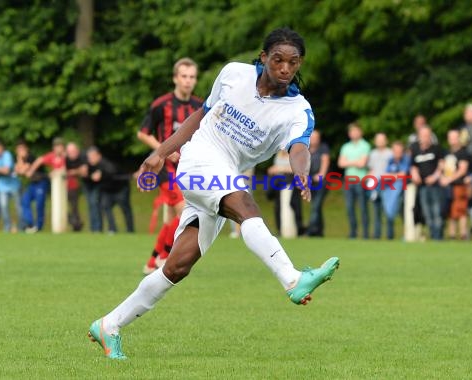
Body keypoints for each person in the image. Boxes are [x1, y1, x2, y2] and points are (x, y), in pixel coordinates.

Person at [88, 27, 339, 360]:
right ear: (263, 58)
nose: (285, 68)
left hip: (226, 173)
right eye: (277, 60)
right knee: (246, 205)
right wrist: (161, 153)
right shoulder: (234, 74)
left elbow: (299, 147)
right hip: (198, 161)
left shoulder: (297, 110)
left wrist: (302, 172)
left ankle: (109, 325)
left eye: (293, 63)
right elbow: (201, 115)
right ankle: (292, 279)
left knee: (177, 266)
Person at [137, 57, 202, 274]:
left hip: (190, 168)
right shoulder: (161, 105)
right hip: (167, 169)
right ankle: (164, 255)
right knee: (185, 212)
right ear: (175, 78)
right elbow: (142, 133)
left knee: (186, 214)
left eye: (192, 77)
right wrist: (164, 150)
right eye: (184, 76)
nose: (187, 81)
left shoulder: (200, 107)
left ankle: (154, 259)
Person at [86, 147, 134, 233]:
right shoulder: (91, 166)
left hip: (120, 188)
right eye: (89, 157)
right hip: (107, 191)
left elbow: (112, 171)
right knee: (105, 207)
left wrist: (101, 173)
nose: (90, 160)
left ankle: (130, 230)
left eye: (91, 157)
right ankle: (112, 228)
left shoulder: (105, 162)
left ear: (98, 155)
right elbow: (90, 176)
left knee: (125, 209)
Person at [410, 126, 445, 240]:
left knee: (437, 212)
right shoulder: (415, 149)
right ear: (419, 137)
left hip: (435, 186)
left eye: (427, 135)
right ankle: (432, 235)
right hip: (422, 187)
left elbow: (441, 165)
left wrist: (434, 177)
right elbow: (413, 166)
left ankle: (439, 236)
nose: (425, 138)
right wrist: (415, 175)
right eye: (423, 135)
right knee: (427, 212)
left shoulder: (437, 148)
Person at [338, 122, 371, 239]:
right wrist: (355, 162)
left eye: (356, 131)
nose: (354, 133)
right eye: (352, 131)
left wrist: (349, 162)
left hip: (360, 180)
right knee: (349, 208)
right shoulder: (345, 147)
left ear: (360, 132)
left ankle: (366, 233)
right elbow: (340, 163)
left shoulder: (365, 146)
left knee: (363, 208)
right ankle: (353, 232)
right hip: (348, 181)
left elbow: (362, 164)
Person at [440, 129, 472, 240]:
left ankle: (463, 234)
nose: (452, 140)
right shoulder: (447, 152)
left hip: (459, 185)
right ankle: (452, 235)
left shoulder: (463, 152)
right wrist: (442, 178)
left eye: (454, 137)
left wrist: (448, 179)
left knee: (460, 210)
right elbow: (442, 167)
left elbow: (462, 170)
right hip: (448, 187)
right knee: (450, 211)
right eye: (450, 137)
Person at [267, 150, 305, 236]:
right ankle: (280, 229)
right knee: (278, 207)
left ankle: (297, 230)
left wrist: (281, 168)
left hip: (290, 184)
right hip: (278, 184)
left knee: (292, 206)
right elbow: (274, 167)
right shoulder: (278, 155)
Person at [14, 140, 48, 232]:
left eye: (22, 149)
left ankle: (38, 226)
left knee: (39, 205)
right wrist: (19, 161)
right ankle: (30, 224)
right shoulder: (19, 159)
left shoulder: (31, 157)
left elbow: (22, 171)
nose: (20, 151)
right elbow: (17, 171)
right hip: (33, 184)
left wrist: (19, 161)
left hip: (41, 182)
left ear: (26, 149)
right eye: (18, 150)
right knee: (25, 200)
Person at [0, 140, 22, 232]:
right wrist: (0, 170)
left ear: (3, 149)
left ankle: (21, 227)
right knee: (3, 207)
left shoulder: (7, 155)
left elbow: (7, 171)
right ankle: (7, 227)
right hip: (2, 187)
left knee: (18, 207)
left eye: (0, 148)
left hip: (13, 185)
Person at [382, 141, 410, 240]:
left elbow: (403, 175)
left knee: (404, 214)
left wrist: (392, 176)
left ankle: (407, 235)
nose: (398, 153)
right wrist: (396, 176)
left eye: (399, 151)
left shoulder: (406, 160)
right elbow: (384, 175)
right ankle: (390, 236)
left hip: (403, 191)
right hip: (390, 191)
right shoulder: (390, 160)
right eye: (396, 151)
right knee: (389, 213)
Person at [366, 132, 392, 239]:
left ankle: (390, 235)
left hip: (387, 184)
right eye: (378, 140)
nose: (380, 142)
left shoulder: (390, 153)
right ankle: (377, 235)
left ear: (386, 141)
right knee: (376, 211)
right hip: (375, 184)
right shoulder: (372, 154)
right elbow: (371, 169)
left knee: (388, 210)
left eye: (382, 139)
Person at [306, 130, 329, 237]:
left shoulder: (323, 148)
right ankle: (319, 232)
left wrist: (321, 175)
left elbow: (325, 161)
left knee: (315, 206)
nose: (314, 139)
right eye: (312, 137)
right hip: (310, 182)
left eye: (316, 137)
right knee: (317, 207)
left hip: (321, 182)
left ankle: (310, 231)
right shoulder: (306, 149)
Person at [65, 142, 86, 231]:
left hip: (74, 186)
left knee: (74, 207)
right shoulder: (65, 159)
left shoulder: (82, 157)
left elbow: (84, 171)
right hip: (63, 187)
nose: (72, 154)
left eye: (73, 151)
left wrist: (72, 172)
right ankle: (75, 223)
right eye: (70, 152)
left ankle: (76, 225)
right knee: (62, 208)